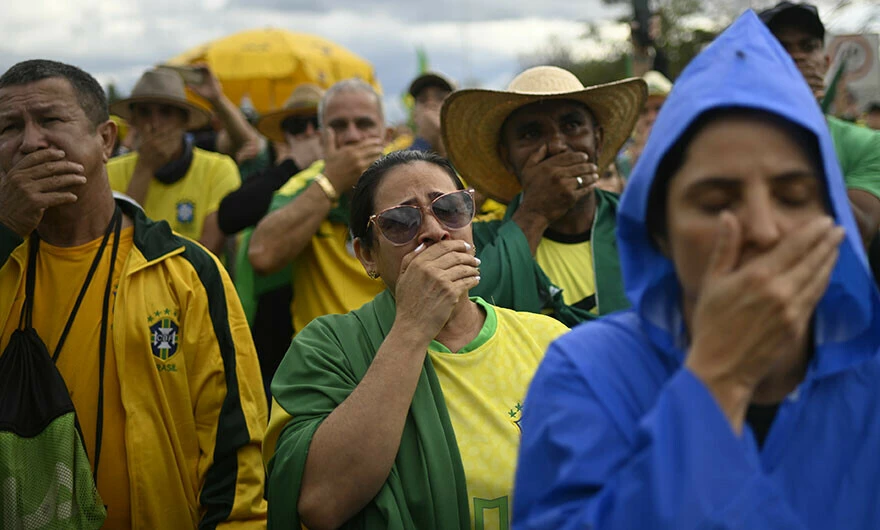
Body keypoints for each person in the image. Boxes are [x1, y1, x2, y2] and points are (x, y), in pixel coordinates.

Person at [514, 12, 880, 529]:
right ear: (660, 230)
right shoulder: (588, 372)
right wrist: (718, 383)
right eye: (715, 202)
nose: (762, 229)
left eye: (794, 195)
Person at [0, 59, 268, 527]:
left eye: (50, 120)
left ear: (105, 139)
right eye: (7, 127)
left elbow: (233, 447)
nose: (29, 141)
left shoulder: (188, 272)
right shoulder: (5, 261)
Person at [263, 150, 569, 529]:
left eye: (451, 208)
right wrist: (412, 327)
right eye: (400, 221)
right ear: (367, 256)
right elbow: (320, 503)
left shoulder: (550, 341)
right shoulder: (327, 348)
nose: (434, 231)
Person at [442, 66, 646, 326]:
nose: (557, 145)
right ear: (507, 157)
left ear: (598, 139)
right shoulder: (476, 246)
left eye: (572, 125)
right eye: (531, 134)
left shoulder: (644, 227)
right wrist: (535, 213)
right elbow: (461, 318)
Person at [246, 79, 389, 335]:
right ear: (323, 140)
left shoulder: (409, 183)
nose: (352, 136)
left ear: (386, 135)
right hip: (324, 359)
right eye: (339, 126)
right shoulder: (301, 186)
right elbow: (262, 256)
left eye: (364, 124)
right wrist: (332, 182)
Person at [219, 84, 325, 397]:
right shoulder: (273, 178)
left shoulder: (356, 178)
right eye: (296, 125)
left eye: (315, 123)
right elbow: (230, 215)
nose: (307, 133)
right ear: (285, 136)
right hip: (272, 332)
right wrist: (293, 167)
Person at [759, 1, 880, 247]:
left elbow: (858, 229)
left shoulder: (866, 142)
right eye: (781, 48)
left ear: (825, 63)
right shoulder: (731, 136)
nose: (798, 56)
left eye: (808, 46)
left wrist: (804, 122)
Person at [107, 68, 241, 256]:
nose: (155, 124)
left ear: (184, 120)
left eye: (166, 112)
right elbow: (114, 246)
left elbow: (207, 253)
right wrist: (145, 168)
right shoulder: (110, 171)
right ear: (134, 121)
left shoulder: (217, 168)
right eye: (145, 113)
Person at [616, 69, 672, 179]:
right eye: (644, 111)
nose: (651, 118)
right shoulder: (618, 165)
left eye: (658, 108)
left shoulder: (691, 152)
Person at [407, 71, 455, 156]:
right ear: (414, 115)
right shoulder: (400, 161)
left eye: (440, 97)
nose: (430, 103)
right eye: (423, 99)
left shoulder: (472, 157)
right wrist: (424, 139)